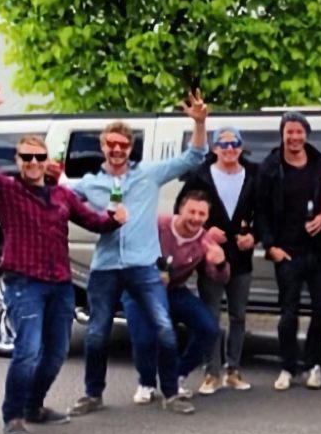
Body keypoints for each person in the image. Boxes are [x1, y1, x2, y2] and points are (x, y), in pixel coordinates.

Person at [0, 85, 125, 434]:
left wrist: (114, 220)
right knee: (27, 351)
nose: (34, 163)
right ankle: (13, 417)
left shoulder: (62, 195)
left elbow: (94, 222)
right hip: (24, 283)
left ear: (46, 159)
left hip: (60, 285)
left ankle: (34, 406)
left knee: (55, 354)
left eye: (39, 157)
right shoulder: (5, 190)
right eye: (27, 157)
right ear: (18, 159)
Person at [67, 90, 210, 417]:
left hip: (144, 266)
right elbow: (57, 201)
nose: (117, 149)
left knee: (164, 327)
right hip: (105, 267)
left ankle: (171, 393)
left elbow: (194, 156)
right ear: (103, 145)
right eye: (111, 144)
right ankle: (92, 394)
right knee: (97, 333)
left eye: (123, 145)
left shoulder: (149, 174)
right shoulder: (89, 184)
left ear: (130, 148)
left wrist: (199, 123)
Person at [122, 192, 230, 411]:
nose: (196, 218)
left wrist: (219, 263)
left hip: (173, 291)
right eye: (192, 211)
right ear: (180, 210)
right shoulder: (157, 225)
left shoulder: (204, 241)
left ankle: (178, 374)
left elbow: (220, 277)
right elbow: (127, 247)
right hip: (139, 289)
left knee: (209, 328)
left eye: (202, 214)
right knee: (144, 338)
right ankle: (146, 382)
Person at [254, 111, 321, 392]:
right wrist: (270, 247)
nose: (294, 137)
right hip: (287, 252)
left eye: (299, 131)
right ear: (282, 134)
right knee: (288, 314)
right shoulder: (270, 168)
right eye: (289, 131)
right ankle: (287, 366)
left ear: (306, 135)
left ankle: (314, 364)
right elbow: (261, 211)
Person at [176, 126, 259, 395]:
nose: (229, 149)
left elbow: (266, 213)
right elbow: (181, 210)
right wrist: (204, 231)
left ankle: (233, 370)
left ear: (241, 147)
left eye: (234, 143)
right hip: (210, 259)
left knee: (238, 316)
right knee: (210, 316)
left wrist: (254, 236)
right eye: (223, 144)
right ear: (214, 149)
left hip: (242, 259)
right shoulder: (200, 176)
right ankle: (211, 372)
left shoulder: (254, 175)